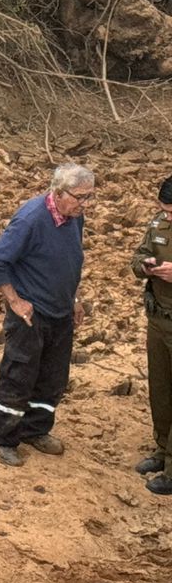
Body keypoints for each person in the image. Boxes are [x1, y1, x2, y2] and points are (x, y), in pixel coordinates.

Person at [0, 162, 93, 466]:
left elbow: (68, 261)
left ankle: (36, 430)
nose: (84, 204)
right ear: (58, 192)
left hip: (61, 312)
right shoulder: (31, 219)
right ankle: (4, 438)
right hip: (31, 314)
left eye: (89, 197)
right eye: (79, 197)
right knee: (19, 375)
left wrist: (74, 298)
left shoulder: (73, 218)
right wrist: (15, 300)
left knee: (52, 377)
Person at [131, 175, 172, 495]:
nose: (168, 216)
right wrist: (145, 266)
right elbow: (136, 258)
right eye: (165, 210)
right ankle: (162, 451)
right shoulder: (158, 223)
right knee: (160, 391)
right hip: (158, 319)